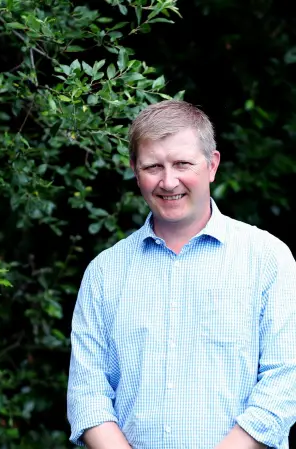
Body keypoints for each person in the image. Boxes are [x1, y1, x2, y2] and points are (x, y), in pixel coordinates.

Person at [67, 99, 296, 449]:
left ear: (212, 165)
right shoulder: (104, 273)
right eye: (153, 167)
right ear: (135, 171)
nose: (168, 181)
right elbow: (88, 395)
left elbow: (285, 382)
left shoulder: (268, 260)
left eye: (182, 164)